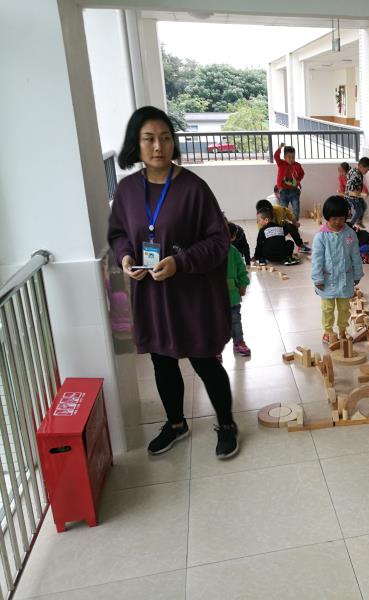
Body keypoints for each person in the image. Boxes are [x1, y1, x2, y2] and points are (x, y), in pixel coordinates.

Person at [107, 106, 239, 459]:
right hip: (151, 296)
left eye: (165, 138)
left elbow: (218, 241)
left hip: (191, 296)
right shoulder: (127, 190)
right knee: (162, 361)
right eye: (149, 139)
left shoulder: (193, 188)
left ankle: (226, 424)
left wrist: (180, 262)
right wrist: (125, 257)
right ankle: (176, 423)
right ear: (136, 144)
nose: (158, 146)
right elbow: (118, 233)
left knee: (205, 362)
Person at [311, 196, 364, 343]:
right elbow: (317, 260)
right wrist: (317, 278)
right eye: (334, 219)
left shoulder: (350, 234)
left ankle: (342, 330)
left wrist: (357, 274)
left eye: (341, 218)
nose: (338, 222)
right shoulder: (321, 236)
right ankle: (328, 331)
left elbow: (355, 255)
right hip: (326, 281)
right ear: (327, 217)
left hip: (345, 279)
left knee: (344, 308)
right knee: (327, 308)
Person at [226, 222, 251, 357]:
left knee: (235, 320)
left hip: (233, 296)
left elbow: (242, 270)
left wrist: (243, 285)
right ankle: (216, 348)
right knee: (216, 323)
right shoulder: (210, 252)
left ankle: (238, 342)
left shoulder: (234, 252)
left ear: (232, 237)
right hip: (214, 298)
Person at [274, 142, 304, 221]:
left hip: (294, 190)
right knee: (283, 209)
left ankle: (295, 222)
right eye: (289, 157)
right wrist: (279, 148)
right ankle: (283, 223)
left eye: (293, 157)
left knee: (296, 207)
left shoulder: (297, 165)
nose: (291, 159)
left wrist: (298, 181)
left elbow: (302, 173)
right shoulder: (281, 163)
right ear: (284, 157)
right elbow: (276, 156)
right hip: (283, 191)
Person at [345, 157, 369, 227]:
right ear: (360, 166)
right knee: (359, 210)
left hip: (357, 195)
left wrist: (361, 191)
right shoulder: (356, 175)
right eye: (366, 170)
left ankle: (359, 221)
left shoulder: (354, 170)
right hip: (352, 196)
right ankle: (350, 224)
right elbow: (350, 183)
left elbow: (349, 177)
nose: (367, 172)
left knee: (364, 206)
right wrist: (354, 190)